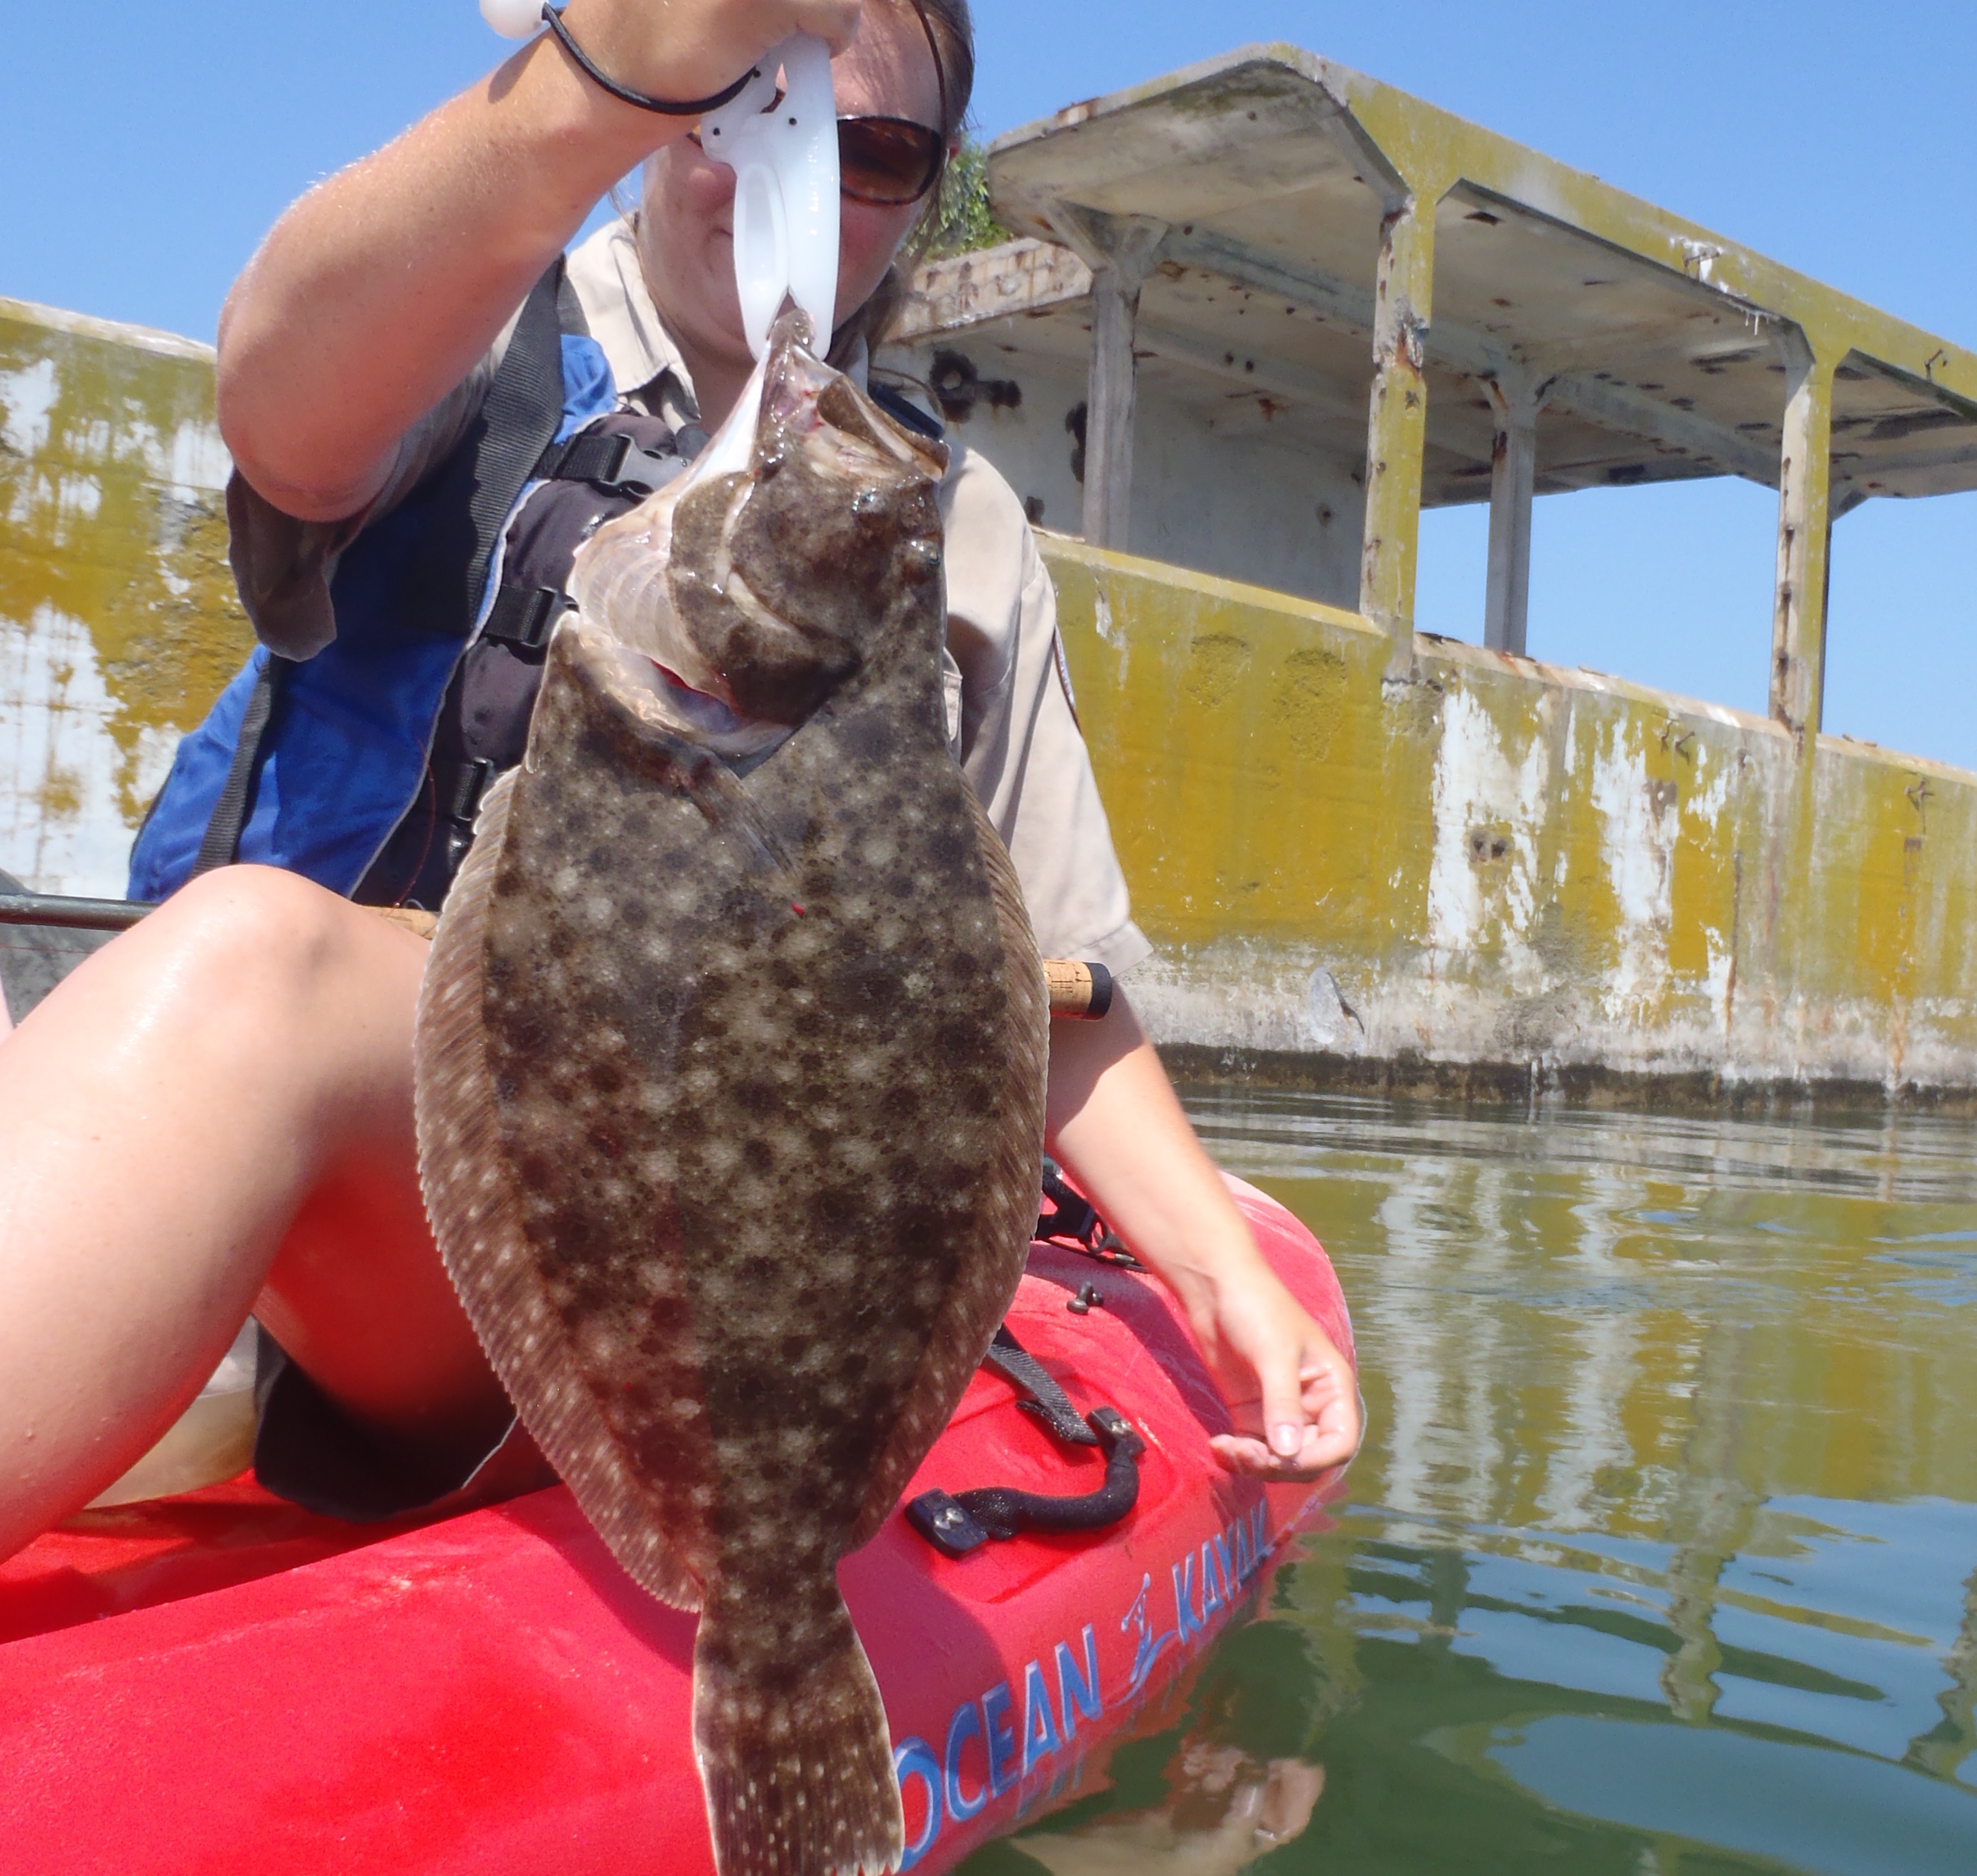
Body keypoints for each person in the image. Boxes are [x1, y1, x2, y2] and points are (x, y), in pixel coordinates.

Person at [0, 0, 1358, 1564]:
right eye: (742, 100)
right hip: (413, 1149)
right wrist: (589, 89)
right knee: (251, 962)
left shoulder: (945, 523)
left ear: (927, 196)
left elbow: (1044, 984)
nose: (793, 174)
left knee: (252, 970)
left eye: (883, 151)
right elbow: (285, 418)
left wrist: (1220, 1274)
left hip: (644, 1244)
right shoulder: (475, 313)